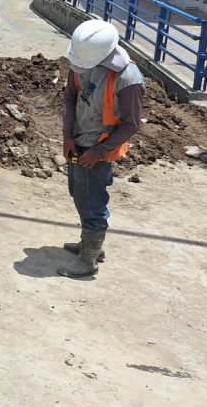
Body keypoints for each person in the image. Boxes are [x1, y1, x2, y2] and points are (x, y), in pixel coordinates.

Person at [60, 19, 144, 278]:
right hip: (79, 141)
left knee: (92, 200)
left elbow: (131, 125)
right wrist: (67, 135)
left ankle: (88, 260)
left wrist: (98, 151)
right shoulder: (81, 61)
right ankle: (91, 245)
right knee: (78, 191)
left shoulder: (128, 78)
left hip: (99, 149)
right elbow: (72, 97)